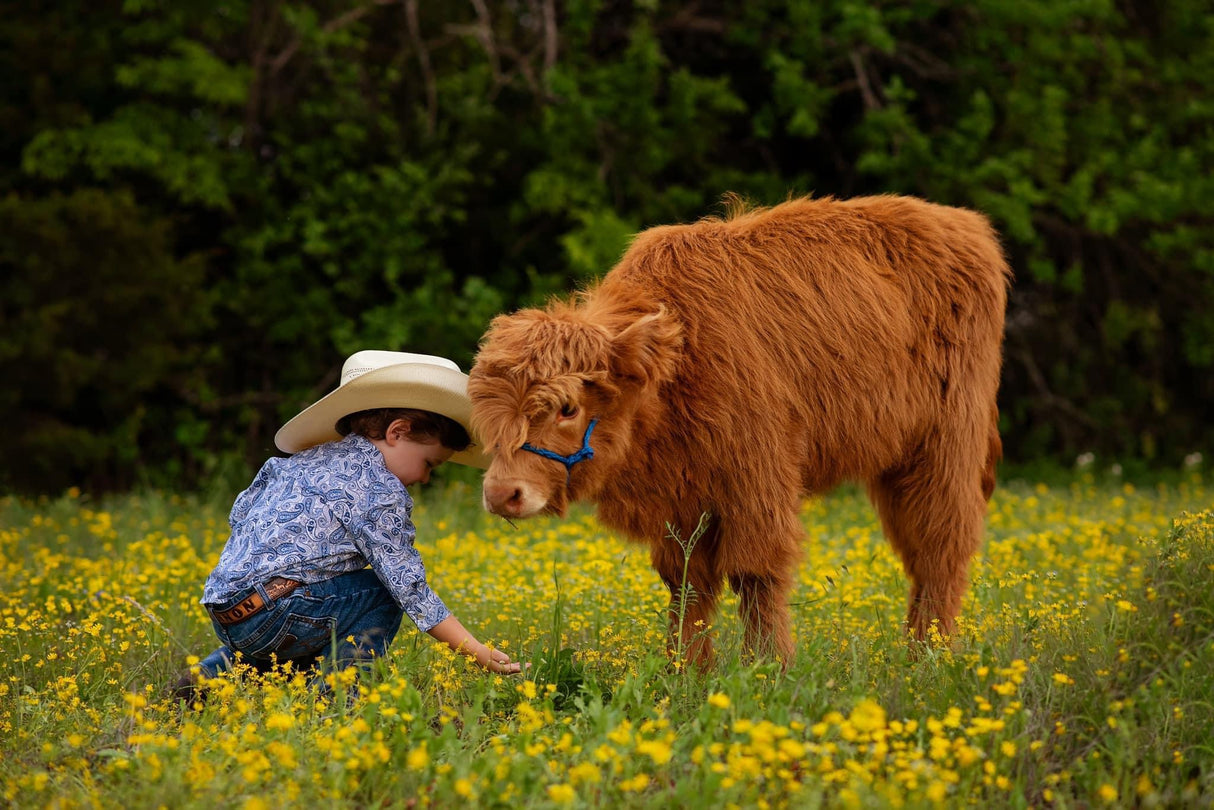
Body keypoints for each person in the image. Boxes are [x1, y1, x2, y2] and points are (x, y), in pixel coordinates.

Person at [173, 350, 520, 701]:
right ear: (397, 432)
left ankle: (208, 677)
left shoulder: (298, 462)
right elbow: (407, 586)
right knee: (379, 592)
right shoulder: (379, 487)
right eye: (429, 463)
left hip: (227, 612)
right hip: (281, 610)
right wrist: (474, 649)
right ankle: (339, 698)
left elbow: (242, 514)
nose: (426, 478)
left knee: (320, 615)